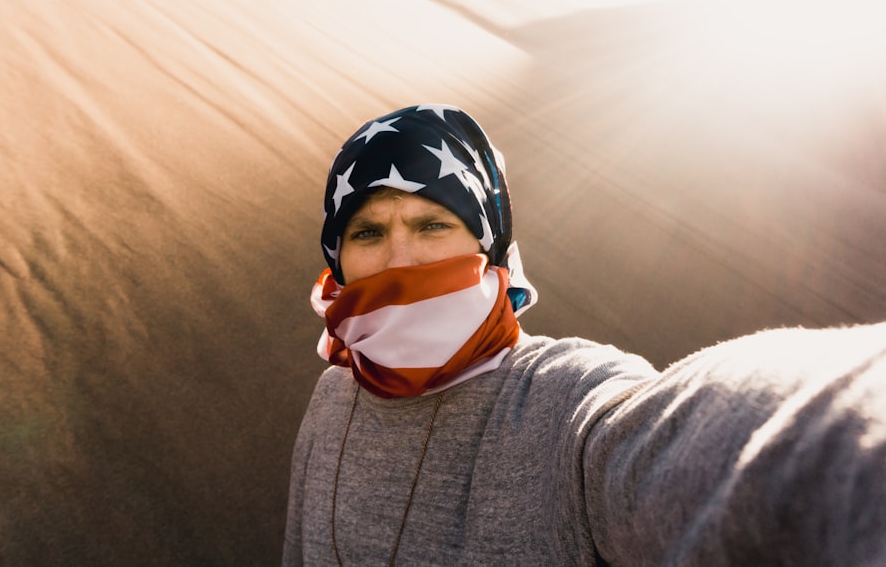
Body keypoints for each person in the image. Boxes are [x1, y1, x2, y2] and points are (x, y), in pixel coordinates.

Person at [282, 104, 886, 566]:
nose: (400, 260)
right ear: (338, 260)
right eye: (367, 233)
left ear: (489, 244)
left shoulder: (560, 403)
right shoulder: (334, 399)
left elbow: (701, 437)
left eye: (434, 223)